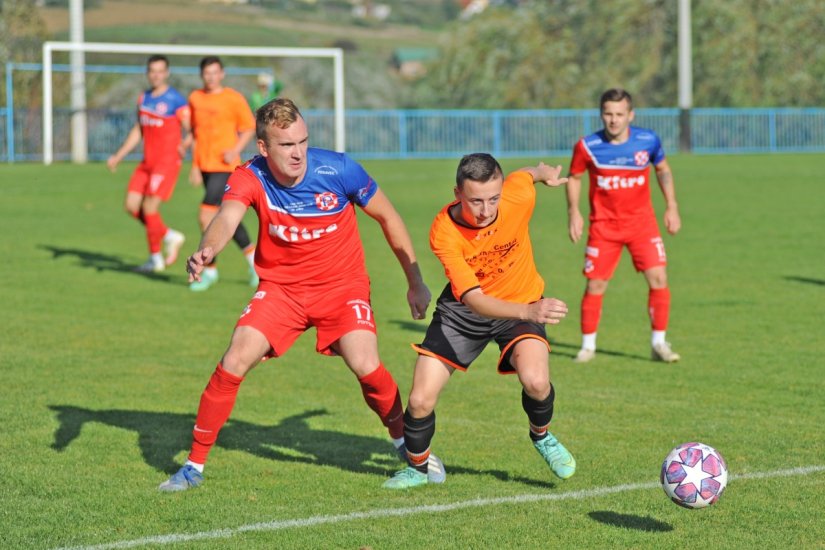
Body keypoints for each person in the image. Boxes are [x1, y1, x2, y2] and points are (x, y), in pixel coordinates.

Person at [159, 98, 445, 491]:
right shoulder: (249, 176)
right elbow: (226, 217)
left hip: (342, 288)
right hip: (282, 291)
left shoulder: (340, 169)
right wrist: (208, 249)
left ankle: (411, 450)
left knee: (365, 363)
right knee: (235, 358)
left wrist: (415, 280)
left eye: (303, 142)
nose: (298, 153)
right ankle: (193, 467)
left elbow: (388, 216)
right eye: (286, 145)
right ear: (263, 147)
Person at [382, 153, 576, 490]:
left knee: (536, 382)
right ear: (457, 193)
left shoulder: (517, 195)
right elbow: (474, 299)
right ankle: (417, 468)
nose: (486, 210)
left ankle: (542, 436)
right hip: (465, 313)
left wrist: (543, 172)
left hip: (519, 300)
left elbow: (524, 176)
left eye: (493, 199)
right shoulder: (444, 231)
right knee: (419, 400)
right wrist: (529, 312)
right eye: (475, 201)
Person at [566, 88, 682, 363]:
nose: (614, 120)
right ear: (601, 114)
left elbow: (663, 169)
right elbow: (574, 177)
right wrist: (574, 212)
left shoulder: (647, 141)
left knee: (659, 279)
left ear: (631, 115)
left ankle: (659, 343)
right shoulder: (587, 146)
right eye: (608, 113)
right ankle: (588, 346)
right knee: (595, 285)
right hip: (604, 227)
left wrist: (672, 206)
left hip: (643, 225)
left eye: (619, 114)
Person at [106, 54, 188, 273]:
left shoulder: (176, 100)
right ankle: (169, 236)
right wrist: (119, 155)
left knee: (149, 207)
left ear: (167, 73)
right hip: (147, 162)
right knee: (131, 206)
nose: (156, 75)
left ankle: (155, 259)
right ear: (148, 73)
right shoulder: (143, 98)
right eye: (152, 71)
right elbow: (138, 129)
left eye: (160, 71)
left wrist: (187, 144)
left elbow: (192, 127)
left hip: (166, 163)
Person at [186, 56, 258, 291]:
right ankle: (255, 264)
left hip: (226, 167)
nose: (211, 77)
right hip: (206, 166)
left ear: (222, 74)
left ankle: (209, 270)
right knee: (227, 218)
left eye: (215, 72)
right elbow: (196, 133)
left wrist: (235, 149)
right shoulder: (195, 98)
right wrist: (195, 166)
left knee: (205, 215)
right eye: (207, 73)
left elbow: (249, 127)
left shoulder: (233, 98)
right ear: (202, 75)